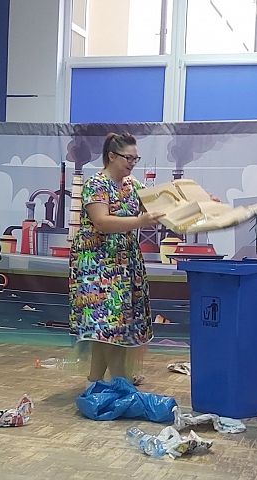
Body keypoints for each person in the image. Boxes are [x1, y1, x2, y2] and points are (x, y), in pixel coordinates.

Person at [69, 132, 164, 384]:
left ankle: (95, 381)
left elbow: (161, 206)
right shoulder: (96, 184)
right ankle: (121, 383)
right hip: (98, 262)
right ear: (111, 156)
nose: (132, 163)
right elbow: (101, 221)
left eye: (135, 158)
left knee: (112, 324)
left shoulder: (133, 185)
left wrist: (200, 204)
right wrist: (139, 221)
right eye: (128, 158)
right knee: (109, 324)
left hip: (124, 261)